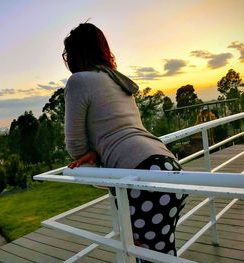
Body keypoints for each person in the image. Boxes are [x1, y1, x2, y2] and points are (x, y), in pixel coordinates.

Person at [63, 22, 187, 261]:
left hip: (141, 178)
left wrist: (95, 152)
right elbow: (124, 130)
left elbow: (75, 146)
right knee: (159, 253)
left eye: (67, 54)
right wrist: (101, 151)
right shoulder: (118, 81)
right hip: (168, 167)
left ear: (75, 55)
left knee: (151, 255)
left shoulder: (78, 82)